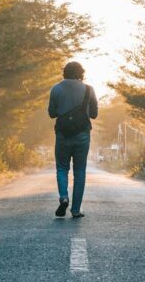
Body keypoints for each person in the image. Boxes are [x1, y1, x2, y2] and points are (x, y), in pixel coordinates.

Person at [48, 61, 98, 218]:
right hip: (82, 134)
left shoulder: (56, 89)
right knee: (80, 171)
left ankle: (64, 197)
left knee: (62, 168)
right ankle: (76, 210)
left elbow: (52, 114)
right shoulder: (89, 90)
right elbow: (94, 114)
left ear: (65, 72)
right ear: (81, 73)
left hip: (62, 134)